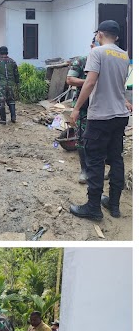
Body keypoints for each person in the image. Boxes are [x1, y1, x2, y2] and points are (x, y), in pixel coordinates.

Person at [69, 20, 132, 221]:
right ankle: (113, 205)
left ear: (100, 34)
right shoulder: (124, 55)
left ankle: (93, 208)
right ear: (117, 37)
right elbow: (120, 86)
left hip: (101, 117)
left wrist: (77, 108)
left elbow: (90, 82)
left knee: (95, 161)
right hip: (120, 116)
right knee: (116, 159)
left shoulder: (97, 53)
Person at [66, 37, 96, 183]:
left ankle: (97, 170)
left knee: (100, 141)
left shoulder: (106, 61)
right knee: (81, 139)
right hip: (83, 108)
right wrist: (90, 82)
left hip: (101, 108)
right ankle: (84, 170)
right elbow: (70, 80)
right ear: (92, 45)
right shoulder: (81, 61)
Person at [0, 46, 19, 124]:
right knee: (11, 100)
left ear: (0, 53)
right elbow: (16, 74)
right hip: (11, 85)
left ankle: (3, 119)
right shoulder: (13, 62)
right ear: (7, 52)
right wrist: (17, 83)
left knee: (0, 101)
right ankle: (13, 117)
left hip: (1, 85)